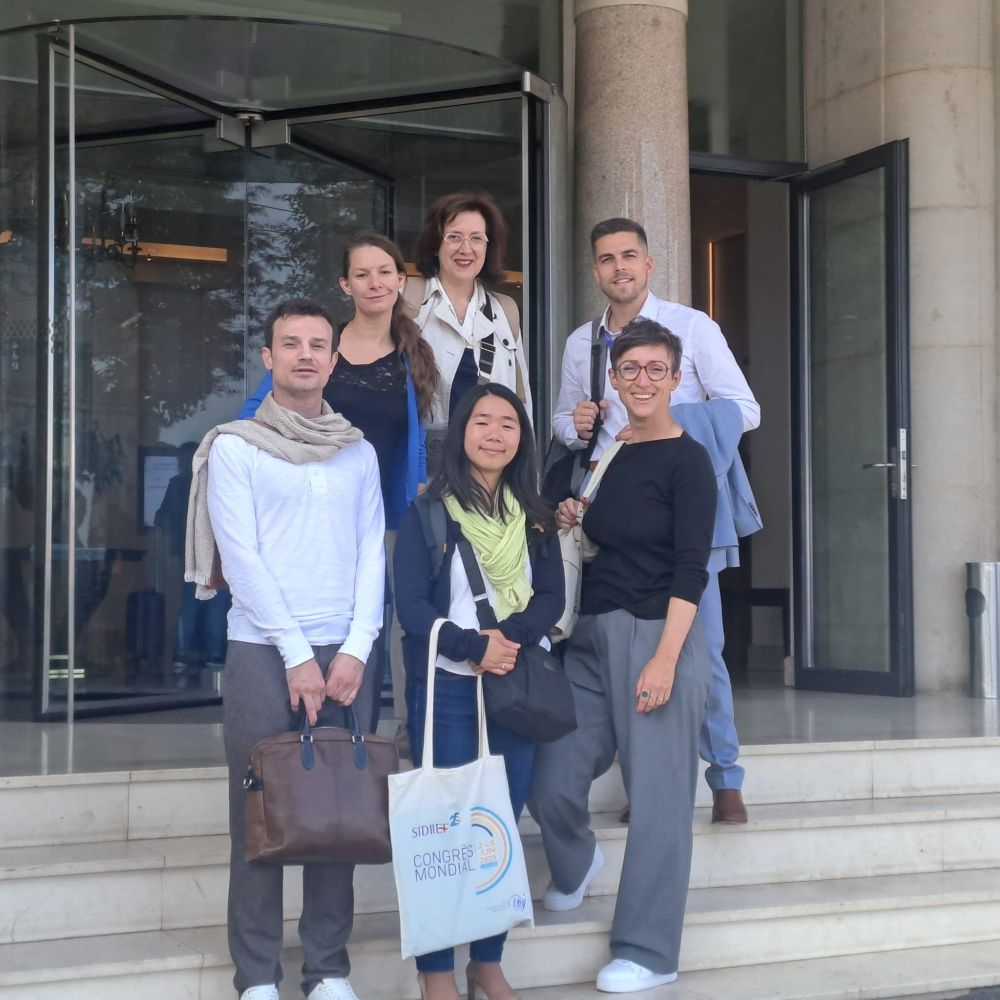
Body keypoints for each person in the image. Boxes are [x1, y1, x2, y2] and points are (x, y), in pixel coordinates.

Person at [187, 299, 385, 1000]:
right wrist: (298, 655)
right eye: (291, 343)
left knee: (337, 814)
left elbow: (371, 552)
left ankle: (327, 970)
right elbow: (241, 559)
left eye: (318, 344)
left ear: (334, 360)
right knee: (259, 815)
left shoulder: (357, 450)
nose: (306, 355)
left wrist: (358, 647)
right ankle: (257, 977)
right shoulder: (235, 447)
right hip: (261, 651)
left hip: (346, 654)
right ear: (268, 357)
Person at [551, 217, 759, 824]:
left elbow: (745, 409)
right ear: (595, 270)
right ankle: (647, 784)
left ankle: (725, 776)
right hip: (613, 515)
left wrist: (664, 425)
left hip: (686, 504)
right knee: (621, 650)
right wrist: (579, 424)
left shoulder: (692, 327)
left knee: (703, 647)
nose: (618, 267)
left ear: (649, 264)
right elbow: (564, 425)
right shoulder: (582, 344)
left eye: (629, 256)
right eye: (606, 258)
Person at [530, 319, 716, 993]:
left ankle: (650, 951)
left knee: (660, 804)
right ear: (612, 378)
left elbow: (691, 568)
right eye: (630, 369)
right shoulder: (612, 451)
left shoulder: (688, 461)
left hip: (658, 635)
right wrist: (576, 516)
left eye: (655, 369)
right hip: (592, 637)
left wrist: (665, 659)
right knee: (551, 775)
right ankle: (577, 862)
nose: (642, 380)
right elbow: (603, 536)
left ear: (676, 378)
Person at [393, 383, 563, 1000]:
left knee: (500, 825)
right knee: (444, 830)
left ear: (522, 438)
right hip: (447, 689)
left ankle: (487, 962)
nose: (495, 434)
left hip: (513, 685)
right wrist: (473, 646)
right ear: (461, 431)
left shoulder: (536, 516)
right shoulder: (428, 512)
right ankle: (435, 971)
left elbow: (552, 598)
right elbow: (412, 606)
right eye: (483, 421)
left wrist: (506, 641)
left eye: (508, 424)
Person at [239, 232, 439, 732]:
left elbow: (415, 435)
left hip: (386, 515)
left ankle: (386, 731)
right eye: (362, 274)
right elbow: (255, 415)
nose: (375, 282)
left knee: (385, 619)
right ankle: (297, 719)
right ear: (345, 285)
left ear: (401, 280)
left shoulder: (414, 352)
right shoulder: (319, 347)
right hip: (310, 512)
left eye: (385, 272)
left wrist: (418, 486)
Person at [409, 192, 532, 472]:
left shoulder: (505, 311)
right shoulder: (409, 302)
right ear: (435, 243)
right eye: (454, 237)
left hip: (489, 474)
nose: (466, 248)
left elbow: (521, 404)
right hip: (425, 473)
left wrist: (525, 479)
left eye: (477, 238)